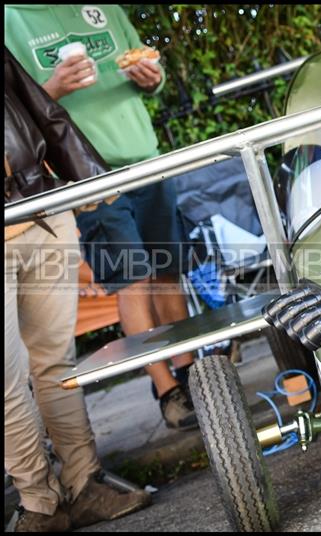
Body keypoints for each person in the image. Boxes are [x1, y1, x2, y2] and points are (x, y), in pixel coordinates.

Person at [5, 4, 197, 429]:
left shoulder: (105, 8)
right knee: (131, 280)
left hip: (145, 157)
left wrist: (153, 78)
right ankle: (166, 390)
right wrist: (50, 89)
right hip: (86, 172)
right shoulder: (10, 18)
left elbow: (147, 66)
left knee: (168, 272)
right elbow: (13, 114)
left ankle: (191, 375)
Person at [5, 46, 151, 532]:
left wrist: (88, 179)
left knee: (55, 361)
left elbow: (39, 108)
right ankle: (40, 503)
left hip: (40, 211)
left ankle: (86, 485)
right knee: (5, 382)